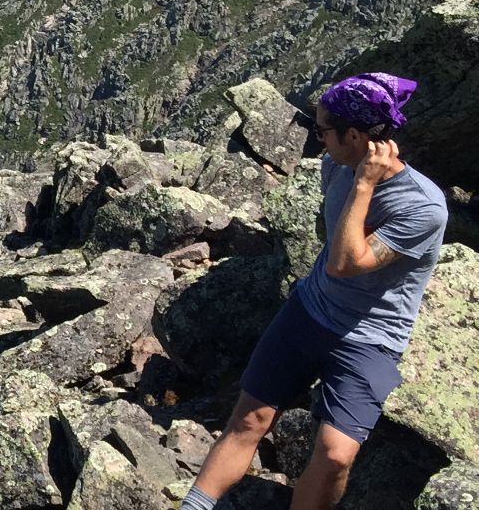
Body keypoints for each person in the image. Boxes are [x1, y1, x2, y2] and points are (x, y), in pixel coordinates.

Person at [177, 73, 448, 510]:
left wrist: (364, 185)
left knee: (336, 454)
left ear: (355, 134)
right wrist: (354, 177)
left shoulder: (422, 207)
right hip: (309, 310)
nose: (317, 139)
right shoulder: (334, 165)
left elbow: (345, 263)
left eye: (322, 130)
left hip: (371, 337)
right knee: (250, 418)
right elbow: (333, 241)